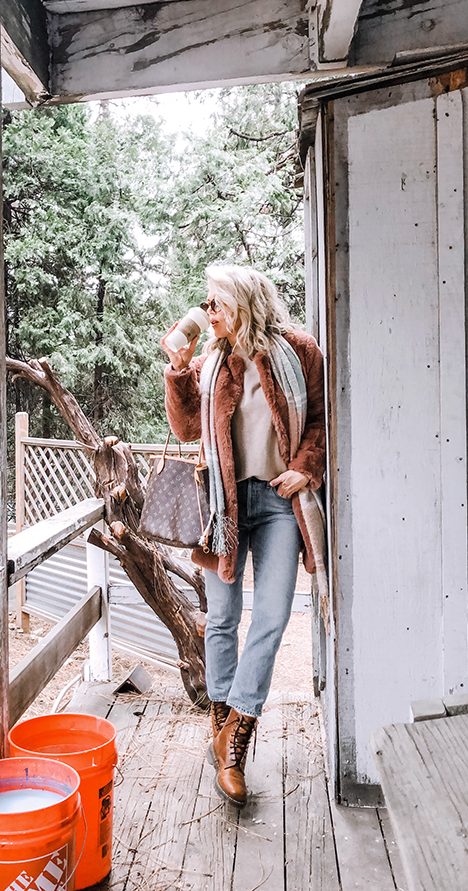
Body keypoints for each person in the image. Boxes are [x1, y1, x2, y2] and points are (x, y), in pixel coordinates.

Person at [161, 263, 326, 807]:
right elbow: (187, 429)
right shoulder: (212, 363)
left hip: (279, 501)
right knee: (224, 617)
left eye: (216, 304)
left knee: (274, 616)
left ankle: (239, 729)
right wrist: (179, 372)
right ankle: (221, 724)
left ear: (245, 305)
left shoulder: (300, 354)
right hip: (223, 504)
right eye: (206, 304)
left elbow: (322, 418)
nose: (207, 313)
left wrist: (308, 465)